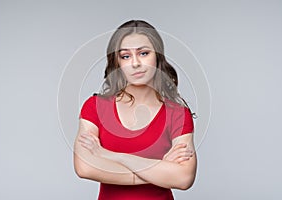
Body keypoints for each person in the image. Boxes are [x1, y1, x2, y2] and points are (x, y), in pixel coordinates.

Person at [74, 20, 197, 200]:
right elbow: (84, 167)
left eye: (144, 53)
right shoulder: (95, 107)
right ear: (117, 62)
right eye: (125, 56)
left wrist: (107, 155)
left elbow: (183, 178)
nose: (135, 63)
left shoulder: (178, 114)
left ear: (158, 56)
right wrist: (159, 168)